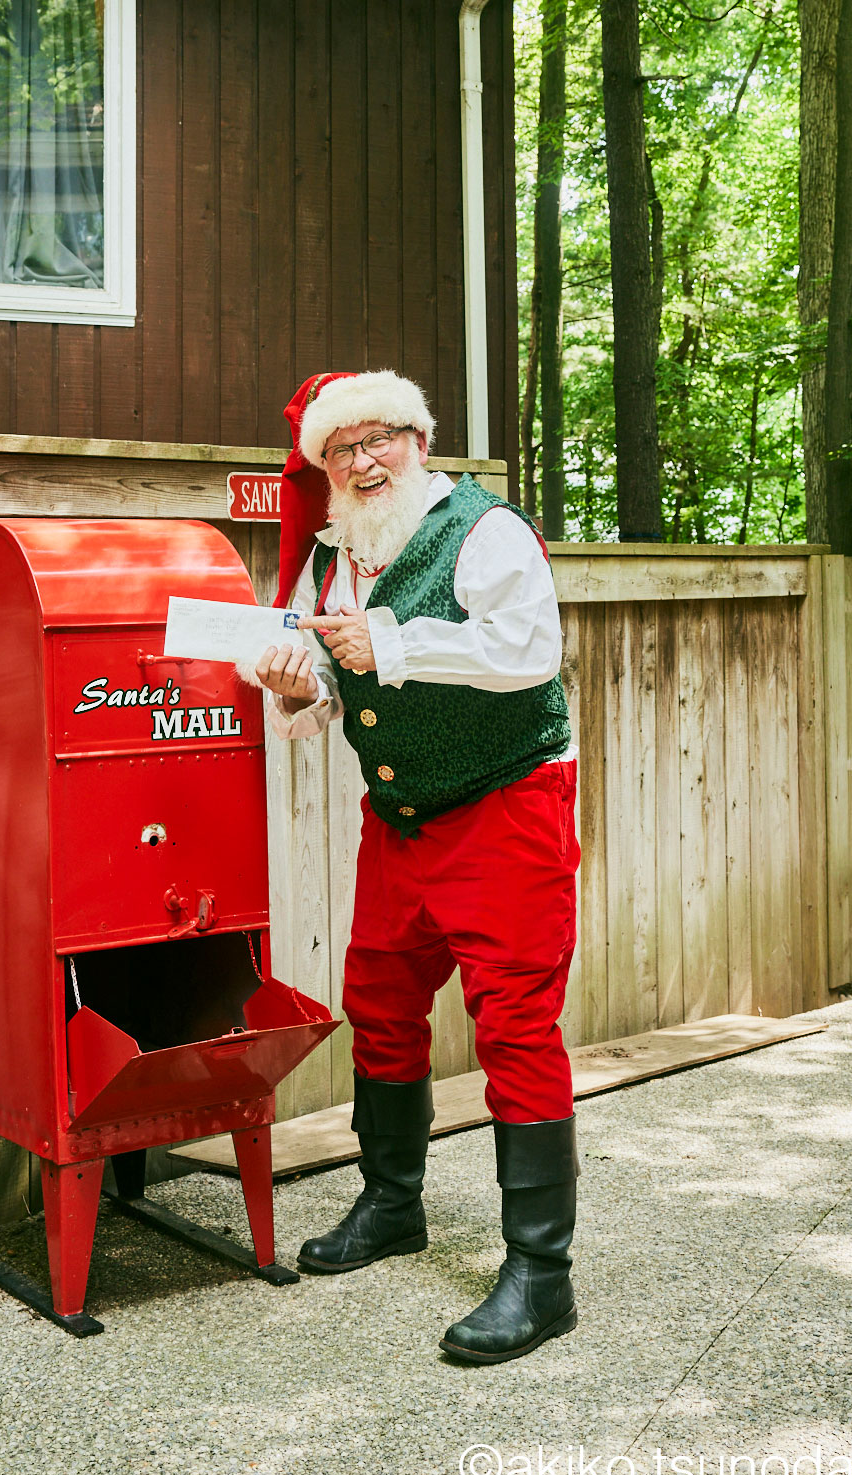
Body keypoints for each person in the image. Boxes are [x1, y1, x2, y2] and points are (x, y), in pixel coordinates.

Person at [254, 370, 581, 1366]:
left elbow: (528, 648)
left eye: (377, 439)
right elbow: (329, 695)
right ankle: (392, 1203)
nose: (360, 461)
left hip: (507, 801)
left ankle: (542, 1274)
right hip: (400, 814)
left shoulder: (485, 531)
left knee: (515, 1021)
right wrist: (289, 692)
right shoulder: (338, 554)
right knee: (381, 999)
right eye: (339, 450)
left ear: (419, 438)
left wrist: (389, 641)